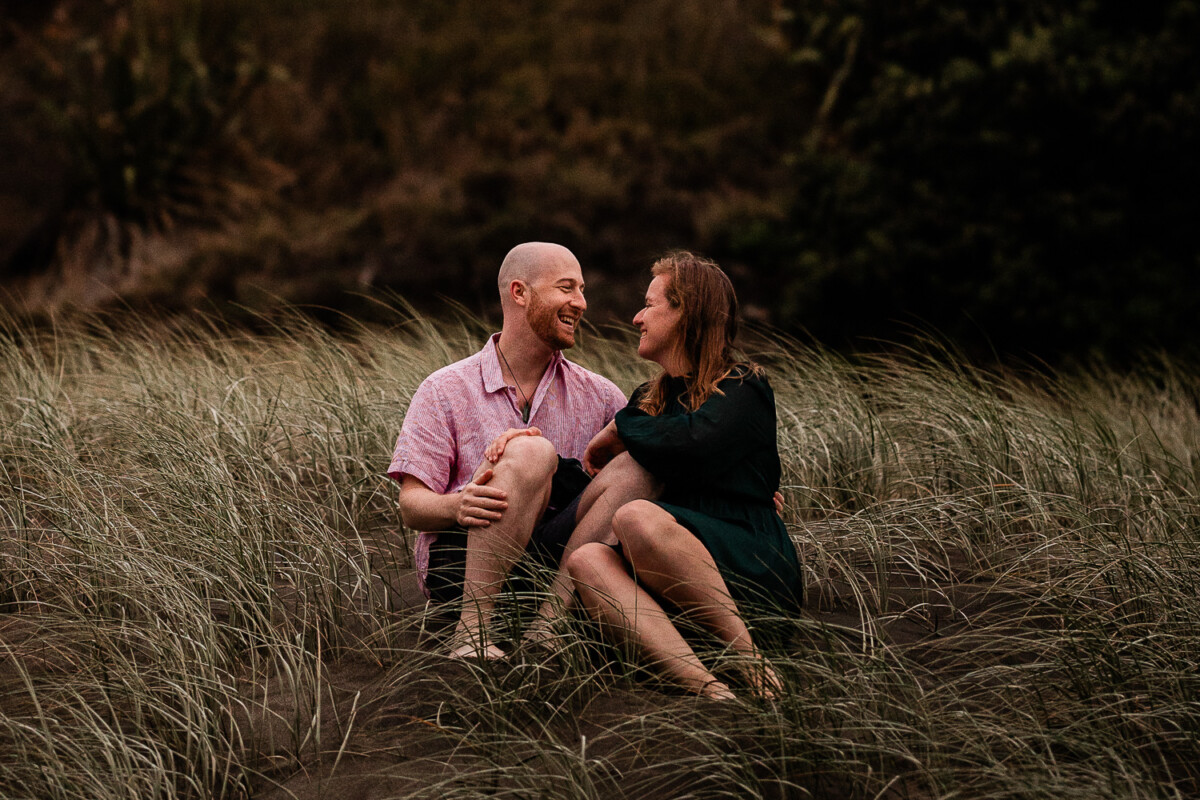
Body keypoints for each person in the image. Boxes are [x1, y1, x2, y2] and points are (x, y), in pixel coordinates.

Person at [388, 242, 648, 658]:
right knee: (531, 453)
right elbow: (411, 505)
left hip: (557, 572)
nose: (580, 303)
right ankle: (472, 634)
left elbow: (627, 491)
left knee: (638, 467)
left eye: (581, 290)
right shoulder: (445, 389)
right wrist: (457, 506)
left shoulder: (601, 395)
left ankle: (549, 627)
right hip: (465, 561)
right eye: (566, 288)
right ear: (520, 292)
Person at [565, 252, 805, 700]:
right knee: (588, 560)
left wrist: (621, 427)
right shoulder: (648, 398)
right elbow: (612, 465)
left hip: (747, 563)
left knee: (637, 517)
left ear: (687, 312)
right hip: (668, 581)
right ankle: (708, 686)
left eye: (650, 304)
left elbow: (692, 447)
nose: (637, 317)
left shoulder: (743, 385)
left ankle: (749, 659)